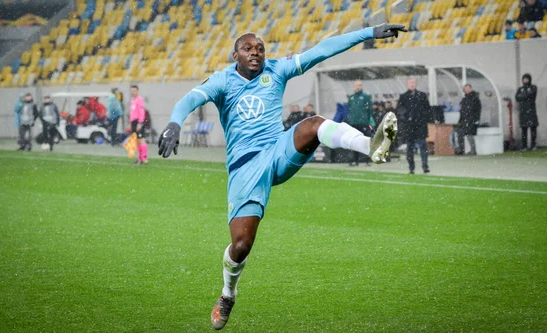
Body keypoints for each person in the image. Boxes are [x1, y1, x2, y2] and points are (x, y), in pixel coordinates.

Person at [157, 23, 406, 330]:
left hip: (277, 150)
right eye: (248, 48)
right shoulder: (222, 80)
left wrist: (368, 32)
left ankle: (371, 146)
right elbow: (189, 100)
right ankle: (227, 294)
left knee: (313, 124)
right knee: (241, 245)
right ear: (234, 54)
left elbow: (321, 50)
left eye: (260, 48)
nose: (255, 53)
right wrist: (174, 123)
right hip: (245, 168)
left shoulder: (276, 70)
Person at [397, 78, 431, 174]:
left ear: (416, 84)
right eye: (410, 83)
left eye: (414, 83)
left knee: (423, 147)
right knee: (410, 149)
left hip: (420, 126)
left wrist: (422, 118)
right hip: (409, 127)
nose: (412, 84)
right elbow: (399, 110)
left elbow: (427, 109)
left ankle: (425, 166)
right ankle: (411, 168)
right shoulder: (403, 97)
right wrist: (405, 118)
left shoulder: (422, 96)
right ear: (407, 84)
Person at [347, 80, 374, 166]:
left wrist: (366, 119)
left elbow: (370, 109)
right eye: (356, 85)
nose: (357, 87)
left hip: (363, 122)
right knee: (355, 142)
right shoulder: (351, 97)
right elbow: (350, 109)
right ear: (354, 87)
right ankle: (356, 160)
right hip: (354, 123)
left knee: (365, 141)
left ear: (361, 86)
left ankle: (367, 160)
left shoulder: (366, 97)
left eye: (359, 85)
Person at [455, 84, 481, 155]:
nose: (467, 90)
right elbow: (462, 111)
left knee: (470, 135)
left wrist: (476, 120)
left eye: (468, 88)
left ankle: (473, 151)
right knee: (460, 134)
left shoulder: (475, 99)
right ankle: (461, 150)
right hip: (464, 120)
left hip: (471, 120)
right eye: (465, 88)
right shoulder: (464, 99)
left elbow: (478, 110)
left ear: (470, 89)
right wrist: (459, 121)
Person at [515, 73, 538, 150]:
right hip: (523, 112)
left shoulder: (533, 87)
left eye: (526, 79)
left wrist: (523, 95)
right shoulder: (520, 89)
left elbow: (532, 94)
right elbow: (517, 98)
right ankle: (524, 146)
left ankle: (533, 145)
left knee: (533, 129)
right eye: (524, 79)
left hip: (531, 112)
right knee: (524, 130)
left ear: (529, 79)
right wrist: (526, 94)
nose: (525, 80)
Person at [130, 85, 148, 164]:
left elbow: (141, 112)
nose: (133, 92)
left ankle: (144, 158)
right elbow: (132, 112)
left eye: (134, 91)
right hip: (133, 121)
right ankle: (139, 158)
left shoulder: (139, 100)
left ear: (137, 91)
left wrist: (140, 123)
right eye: (132, 91)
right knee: (137, 140)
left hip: (138, 122)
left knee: (141, 139)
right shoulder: (132, 100)